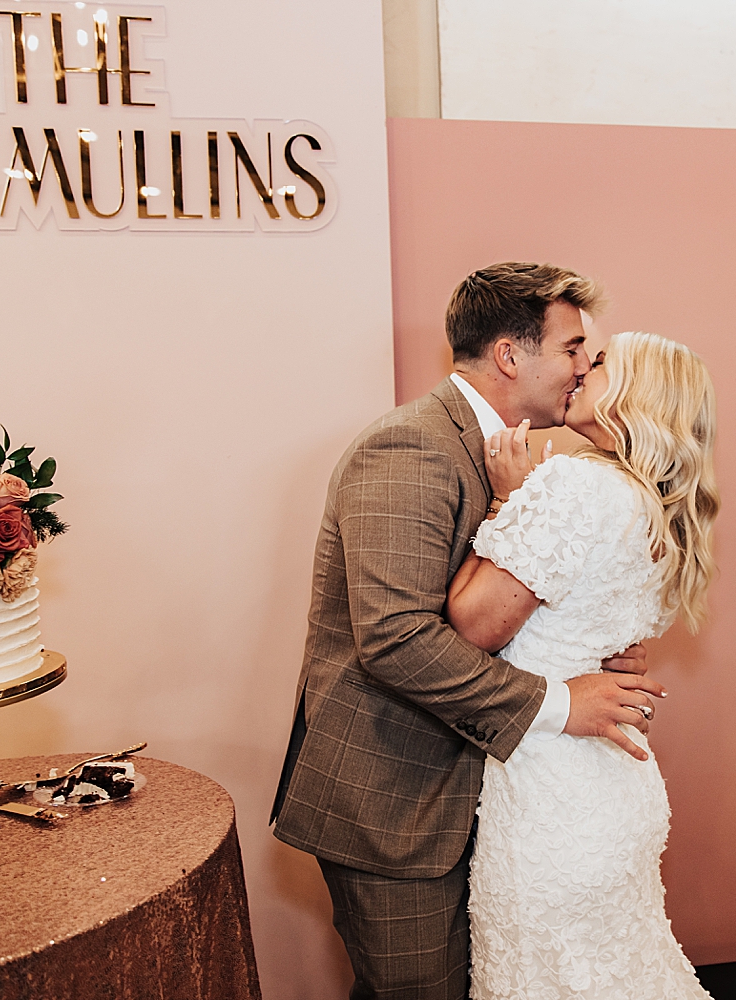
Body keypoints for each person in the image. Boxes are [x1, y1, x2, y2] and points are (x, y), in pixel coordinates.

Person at [270, 263, 667, 1000]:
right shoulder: (410, 446)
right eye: (572, 348)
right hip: (398, 800)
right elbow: (395, 639)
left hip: (482, 796)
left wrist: (595, 641)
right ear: (511, 356)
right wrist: (561, 702)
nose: (586, 367)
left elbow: (507, 602)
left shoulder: (524, 457)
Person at [446, 330, 720, 999]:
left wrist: (509, 500)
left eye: (598, 364)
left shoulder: (574, 482)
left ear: (634, 396)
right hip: (615, 785)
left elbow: (473, 625)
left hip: (549, 798)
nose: (578, 371)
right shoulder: (660, 506)